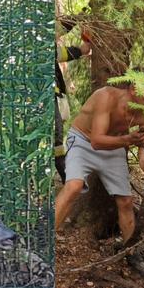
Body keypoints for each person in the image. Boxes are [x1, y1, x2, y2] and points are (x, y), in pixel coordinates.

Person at [54, 67, 144, 274]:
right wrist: (128, 139)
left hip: (114, 147)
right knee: (74, 186)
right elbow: (96, 140)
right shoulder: (106, 97)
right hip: (84, 142)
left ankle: (131, 252)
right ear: (133, 88)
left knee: (126, 201)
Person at [55, 35, 91, 183]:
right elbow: (60, 53)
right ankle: (65, 176)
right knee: (56, 139)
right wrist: (81, 50)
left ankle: (65, 175)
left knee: (57, 138)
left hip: (55, 97)